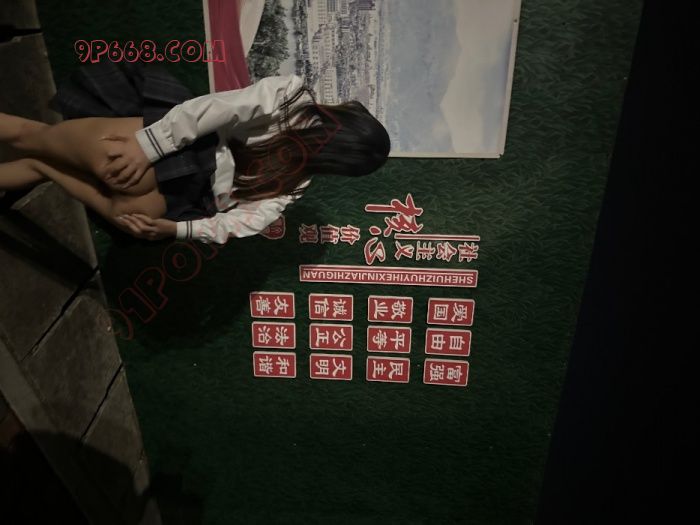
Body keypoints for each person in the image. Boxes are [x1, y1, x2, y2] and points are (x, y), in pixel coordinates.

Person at [0, 62, 391, 244]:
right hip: (158, 205)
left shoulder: (290, 95)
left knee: (29, 135)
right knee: (41, 165)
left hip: (154, 153)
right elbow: (241, 224)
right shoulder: (295, 183)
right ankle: (40, 169)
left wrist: (146, 147)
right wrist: (176, 230)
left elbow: (214, 110)